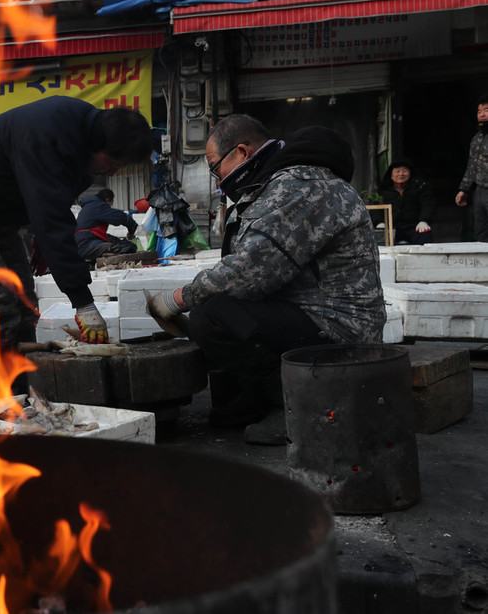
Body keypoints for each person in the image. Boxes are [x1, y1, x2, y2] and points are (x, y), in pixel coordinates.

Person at [147, 114, 386, 445]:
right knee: (226, 309)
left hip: (340, 328)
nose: (219, 181)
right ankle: (261, 397)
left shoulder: (300, 186)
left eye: (216, 168)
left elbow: (252, 270)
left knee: (211, 317)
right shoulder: (273, 186)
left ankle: (300, 406)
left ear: (242, 153)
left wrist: (179, 298)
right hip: (313, 312)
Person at [0, 96, 153, 350]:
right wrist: (83, 302)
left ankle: (26, 379)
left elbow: (50, 200)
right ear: (98, 145)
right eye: (113, 164)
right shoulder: (48, 136)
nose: (111, 173)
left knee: (24, 298)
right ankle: (2, 385)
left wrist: (40, 235)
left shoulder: (83, 138)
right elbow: (52, 217)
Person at [377, 158, 436, 245]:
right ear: (391, 175)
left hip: (414, 227)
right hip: (391, 228)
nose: (401, 174)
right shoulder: (383, 190)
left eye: (404, 171)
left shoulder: (419, 187)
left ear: (410, 173)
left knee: (425, 238)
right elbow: (376, 207)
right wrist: (379, 222)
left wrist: (424, 220)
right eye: (397, 171)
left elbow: (428, 204)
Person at [456, 95, 488, 242]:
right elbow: (472, 167)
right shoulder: (477, 138)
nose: (482, 114)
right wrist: (464, 189)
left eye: (486, 110)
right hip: (480, 191)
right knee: (481, 231)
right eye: (479, 111)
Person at [75, 188, 139, 261]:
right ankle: (105, 254)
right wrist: (132, 224)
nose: (109, 208)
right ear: (108, 200)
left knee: (116, 240)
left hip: (84, 240)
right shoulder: (99, 206)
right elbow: (120, 217)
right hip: (86, 244)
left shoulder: (90, 206)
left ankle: (103, 253)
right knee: (128, 247)